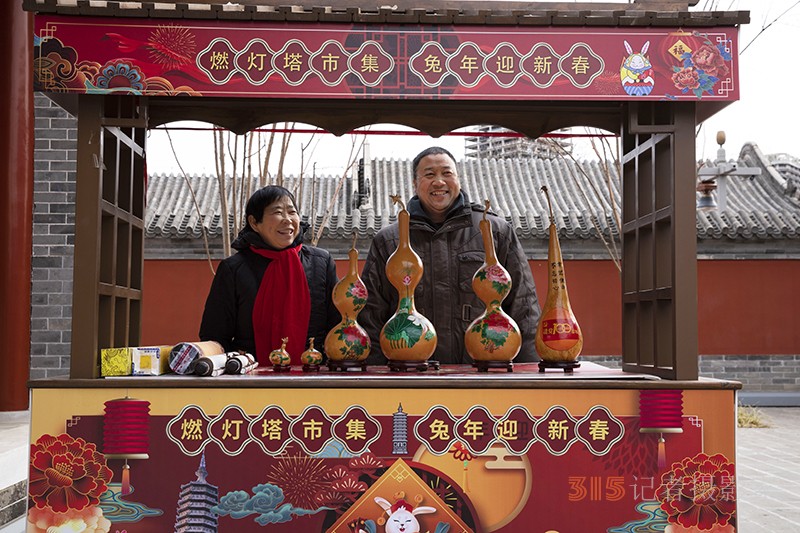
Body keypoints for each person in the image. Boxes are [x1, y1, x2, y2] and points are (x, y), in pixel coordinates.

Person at [360, 146, 541, 365]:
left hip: (482, 371)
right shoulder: (389, 241)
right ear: (415, 185)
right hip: (412, 374)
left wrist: (528, 370)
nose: (439, 182)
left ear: (458, 179)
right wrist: (380, 377)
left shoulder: (494, 232)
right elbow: (371, 315)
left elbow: (523, 306)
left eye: (447, 173)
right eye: (429, 174)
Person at [199, 185, 339, 365]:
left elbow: (338, 327)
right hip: (252, 379)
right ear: (254, 223)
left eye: (292, 212)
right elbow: (215, 335)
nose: (288, 220)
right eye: (278, 212)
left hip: (313, 377)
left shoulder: (321, 263)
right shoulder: (233, 270)